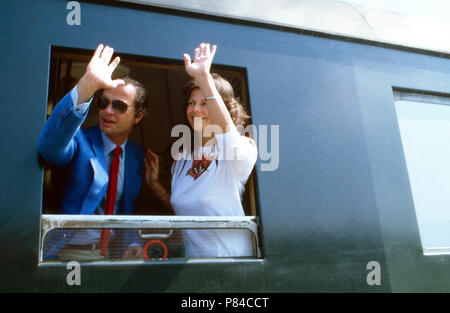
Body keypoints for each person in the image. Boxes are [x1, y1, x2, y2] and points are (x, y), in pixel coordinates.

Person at [145, 43, 258, 258]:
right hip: (195, 267)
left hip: (233, 265)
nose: (195, 109)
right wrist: (156, 187)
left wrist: (205, 79)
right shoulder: (183, 157)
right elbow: (190, 210)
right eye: (191, 103)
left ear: (223, 108)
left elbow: (228, 138)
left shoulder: (242, 148)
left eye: (205, 103)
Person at [39, 44, 146, 261]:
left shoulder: (136, 155)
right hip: (68, 254)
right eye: (103, 102)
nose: (108, 111)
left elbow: (127, 214)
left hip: (113, 256)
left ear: (138, 116)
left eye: (120, 106)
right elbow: (50, 150)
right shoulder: (79, 139)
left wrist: (134, 243)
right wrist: (86, 87)